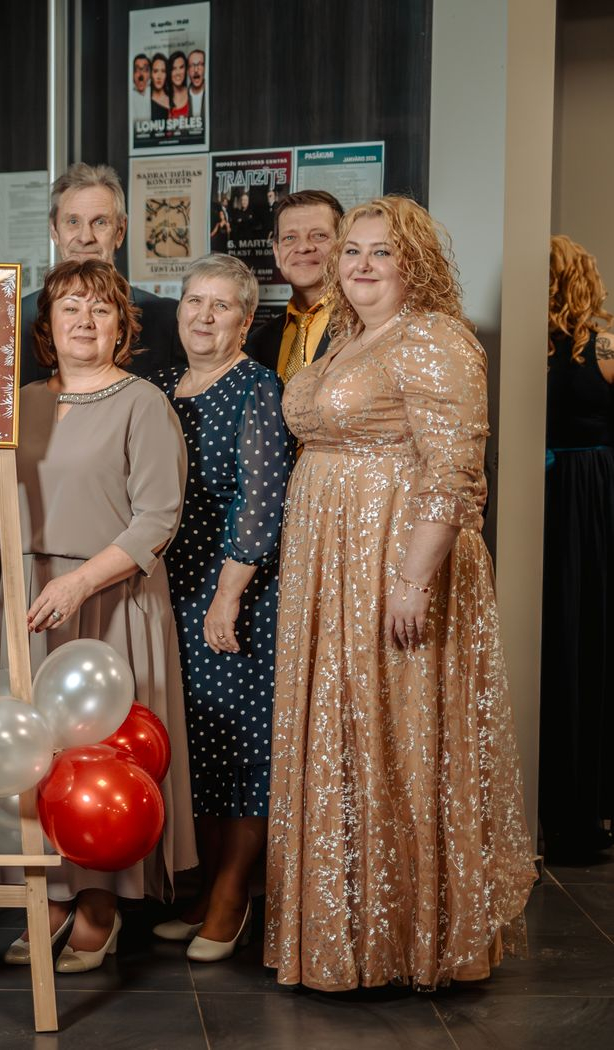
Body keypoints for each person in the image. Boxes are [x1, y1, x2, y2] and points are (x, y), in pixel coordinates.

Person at [265, 195, 536, 991]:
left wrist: (413, 577)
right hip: (327, 567)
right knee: (339, 734)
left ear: (412, 264)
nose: (361, 265)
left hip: (389, 561)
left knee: (393, 732)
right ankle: (341, 930)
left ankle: (404, 938)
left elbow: (453, 472)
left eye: (381, 252)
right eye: (352, 251)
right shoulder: (349, 341)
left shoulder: (434, 340)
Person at [0, 258, 196, 973]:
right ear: (46, 328)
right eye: (70, 309)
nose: (85, 321)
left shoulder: (142, 402)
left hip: (109, 599)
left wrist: (81, 584)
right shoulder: (17, 401)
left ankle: (99, 905)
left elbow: (157, 519)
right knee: (35, 755)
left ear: (122, 325)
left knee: (102, 758)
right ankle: (48, 895)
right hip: (29, 595)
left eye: (100, 309)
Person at [151, 255, 289, 962]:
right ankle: (203, 887)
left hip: (229, 594)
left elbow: (261, 501)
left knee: (238, 750)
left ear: (245, 320)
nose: (203, 316)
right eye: (193, 302)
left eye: (220, 306)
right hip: (160, 590)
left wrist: (227, 596)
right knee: (192, 748)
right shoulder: (156, 386)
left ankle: (233, 897)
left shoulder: (257, 388)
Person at [539, 234, 614, 860]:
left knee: (583, 631)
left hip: (585, 496)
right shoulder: (539, 343)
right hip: (560, 494)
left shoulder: (600, 343)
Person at [19, 164, 183, 386]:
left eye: (100, 222)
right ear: (54, 231)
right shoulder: (16, 321)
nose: (85, 237)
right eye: (73, 221)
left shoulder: (168, 322)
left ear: (120, 231)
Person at [244, 190, 345, 381]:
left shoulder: (364, 328)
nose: (303, 247)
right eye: (290, 238)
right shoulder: (256, 343)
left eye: (319, 235)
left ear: (342, 246)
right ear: (276, 252)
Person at [168, 52, 191, 119]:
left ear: (186, 70)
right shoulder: (163, 98)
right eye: (174, 68)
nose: (178, 73)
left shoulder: (192, 95)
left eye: (181, 67)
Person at [130, 52, 151, 122]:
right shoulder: (129, 97)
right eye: (136, 70)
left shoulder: (154, 94)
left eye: (145, 70)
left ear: (149, 74)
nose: (141, 75)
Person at [149, 53, 171, 119]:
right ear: (151, 74)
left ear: (166, 74)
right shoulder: (146, 99)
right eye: (155, 71)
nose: (159, 76)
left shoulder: (172, 99)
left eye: (163, 71)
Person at [188, 49, 206, 119]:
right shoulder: (183, 97)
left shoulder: (212, 94)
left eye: (200, 64)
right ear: (187, 71)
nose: (196, 70)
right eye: (192, 65)